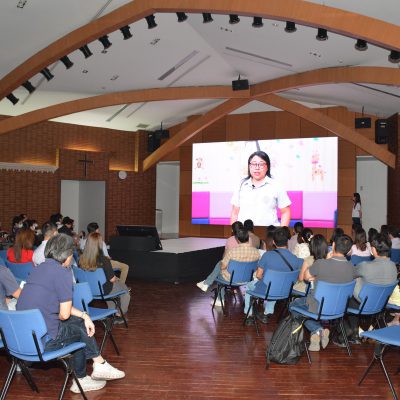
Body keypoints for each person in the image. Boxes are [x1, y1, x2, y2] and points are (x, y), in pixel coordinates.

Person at [17, 234, 125, 393]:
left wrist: (84, 315)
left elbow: (57, 307)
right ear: (68, 255)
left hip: (21, 337)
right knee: (81, 331)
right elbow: (64, 315)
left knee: (78, 323)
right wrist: (83, 318)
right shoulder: (63, 273)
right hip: (42, 341)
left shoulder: (38, 268)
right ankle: (85, 376)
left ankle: (96, 366)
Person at [291, 234, 354, 352]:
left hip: (319, 306)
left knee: (293, 306)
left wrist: (324, 263)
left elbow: (305, 277)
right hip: (340, 308)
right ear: (349, 250)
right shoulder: (351, 267)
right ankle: (317, 333)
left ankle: (317, 329)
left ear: (333, 245)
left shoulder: (321, 263)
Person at [335, 234, 398, 346]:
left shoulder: (365, 266)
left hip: (363, 304)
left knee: (345, 294)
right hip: (381, 305)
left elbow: (349, 274)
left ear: (373, 250)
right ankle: (355, 335)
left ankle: (348, 332)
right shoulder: (394, 267)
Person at [244, 228, 304, 325]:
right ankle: (267, 313)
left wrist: (265, 279)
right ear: (287, 242)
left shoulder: (267, 255)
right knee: (275, 285)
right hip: (285, 291)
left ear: (274, 242)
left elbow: (258, 275)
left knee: (249, 287)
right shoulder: (295, 258)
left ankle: (249, 315)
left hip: (267, 290)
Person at [196, 228, 260, 307]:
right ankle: (206, 283)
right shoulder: (256, 252)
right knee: (220, 266)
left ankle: (218, 297)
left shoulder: (232, 251)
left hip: (232, 279)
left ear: (237, 239)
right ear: (248, 237)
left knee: (219, 270)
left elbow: (223, 267)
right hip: (248, 279)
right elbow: (257, 267)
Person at [230, 151, 291, 227]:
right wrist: (233, 232)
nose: (257, 168)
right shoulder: (241, 185)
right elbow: (235, 212)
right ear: (249, 166)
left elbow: (285, 212)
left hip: (269, 232)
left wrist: (282, 232)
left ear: (267, 167)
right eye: (253, 164)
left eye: (261, 164)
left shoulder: (276, 185)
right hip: (244, 232)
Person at [79, 232, 130, 321]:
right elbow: (112, 279)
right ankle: (119, 315)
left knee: (112, 288)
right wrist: (117, 280)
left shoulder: (82, 259)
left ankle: (111, 311)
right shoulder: (104, 260)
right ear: (99, 244)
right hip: (104, 290)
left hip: (89, 290)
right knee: (125, 291)